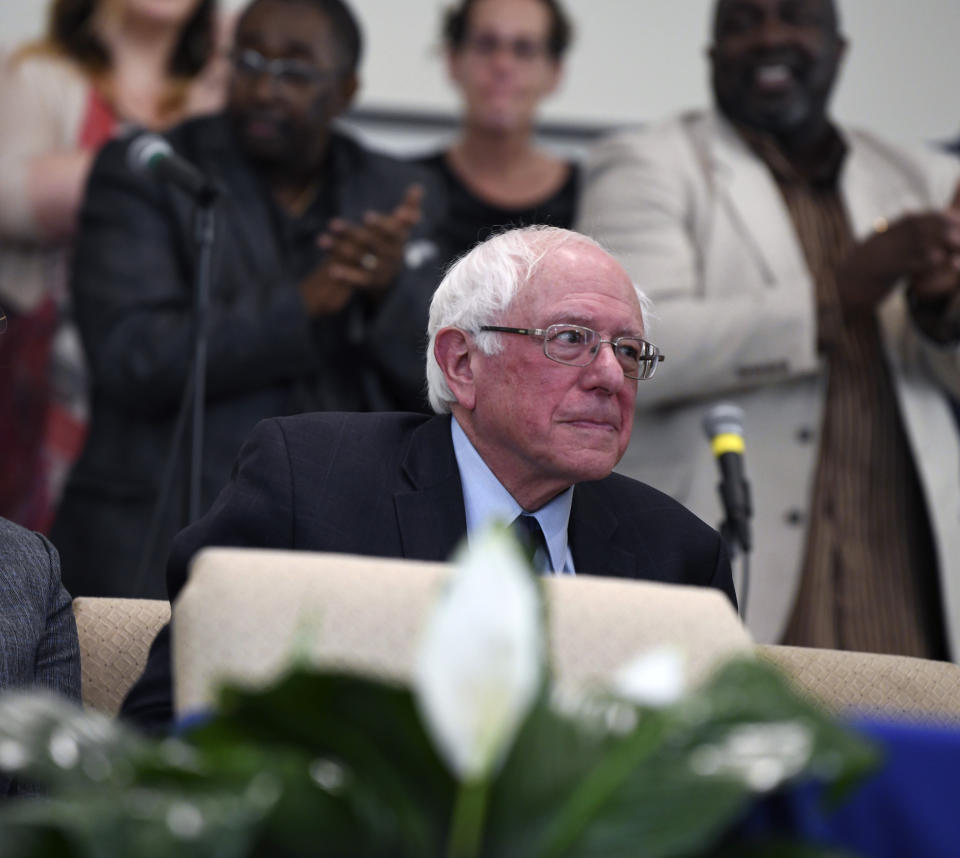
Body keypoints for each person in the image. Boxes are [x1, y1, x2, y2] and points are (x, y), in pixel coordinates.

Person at [119, 224, 736, 730]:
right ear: (462, 362)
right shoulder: (309, 482)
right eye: (570, 339)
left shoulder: (677, 554)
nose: (608, 374)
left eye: (629, 351)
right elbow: (167, 722)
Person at [576, 0, 960, 659]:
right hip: (730, 568)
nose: (770, 36)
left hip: (905, 579)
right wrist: (835, 296)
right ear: (711, 56)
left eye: (795, 18)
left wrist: (939, 310)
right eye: (742, 23)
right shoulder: (646, 163)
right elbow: (628, 353)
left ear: (838, 50)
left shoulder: (920, 177)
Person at [50, 0, 444, 600]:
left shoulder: (397, 193)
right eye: (249, 61)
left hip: (341, 545)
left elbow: (449, 383)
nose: (264, 88)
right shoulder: (152, 173)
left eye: (294, 71)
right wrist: (303, 304)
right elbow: (132, 357)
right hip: (158, 533)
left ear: (345, 89)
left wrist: (390, 291)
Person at [0, 0, 227, 535]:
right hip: (44, 389)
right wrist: (173, 150)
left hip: (159, 390)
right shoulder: (41, 76)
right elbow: (9, 200)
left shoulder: (218, 93)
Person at [416, 0, 578, 266]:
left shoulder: (590, 197)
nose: (502, 64)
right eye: (485, 45)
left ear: (555, 72)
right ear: (453, 60)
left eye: (524, 49)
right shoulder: (405, 190)